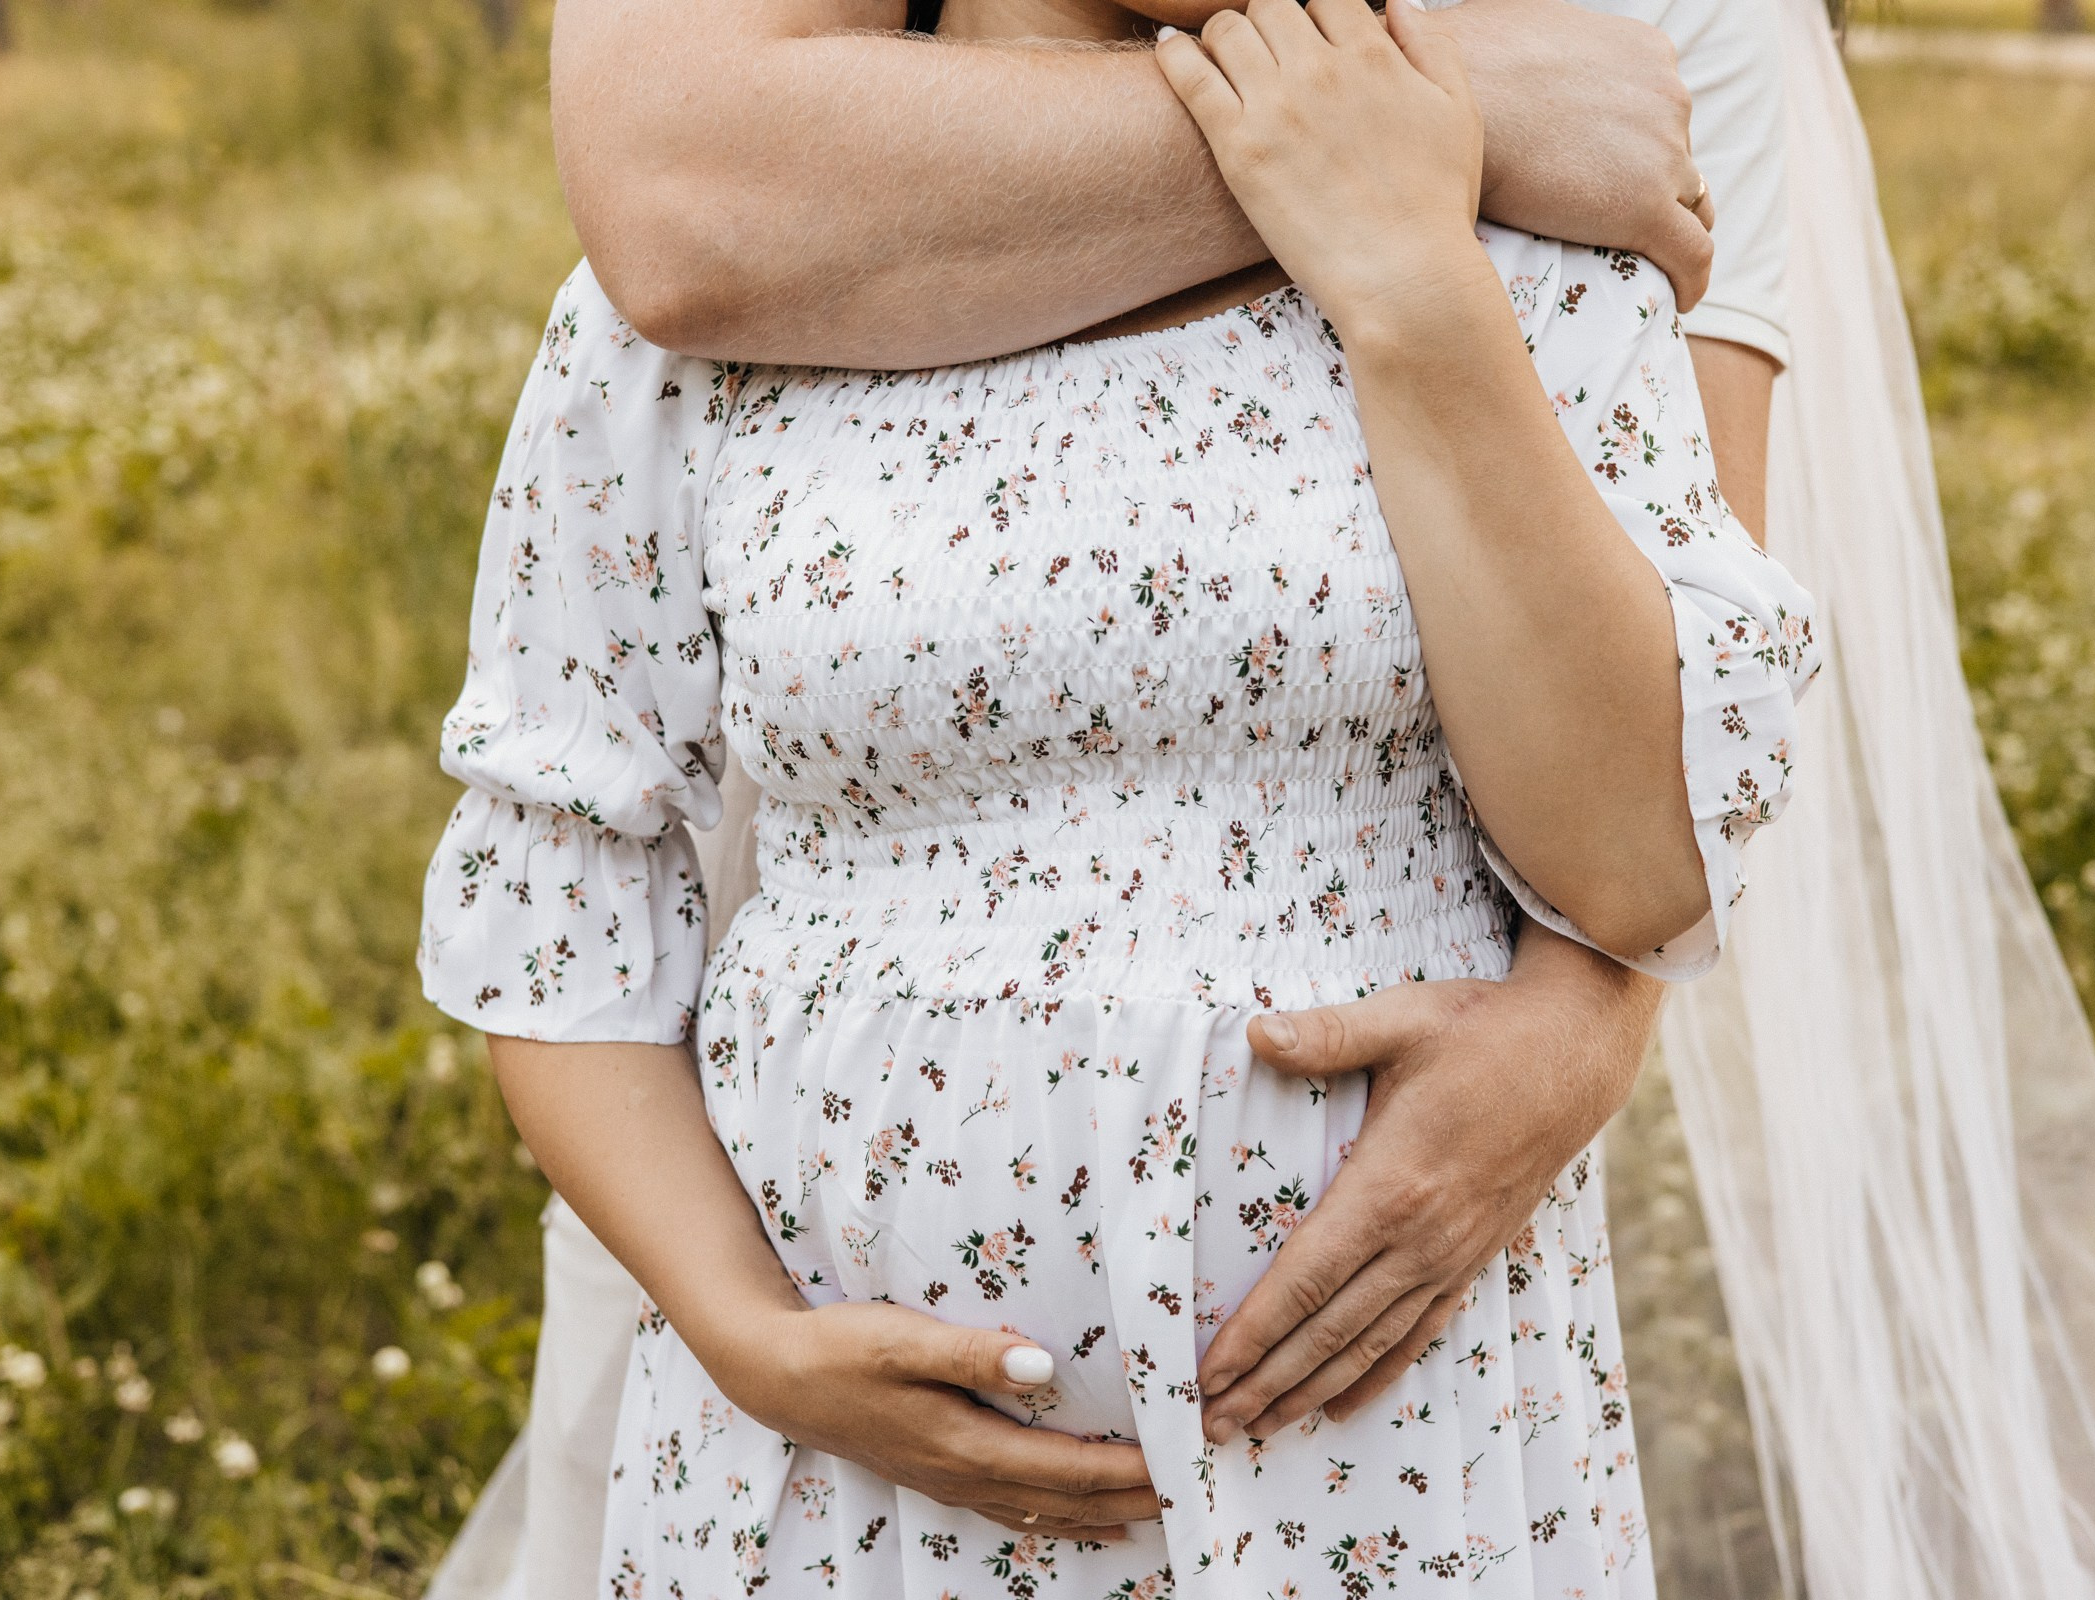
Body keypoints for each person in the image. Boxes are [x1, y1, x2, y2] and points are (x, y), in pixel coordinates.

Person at [418, 0, 1822, 1589]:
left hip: (1374, 1458)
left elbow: (1645, 867)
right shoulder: (724, 294)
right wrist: (742, 1330)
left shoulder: (1534, 257)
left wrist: (1409, 277)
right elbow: (556, 879)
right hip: (835, 1489)